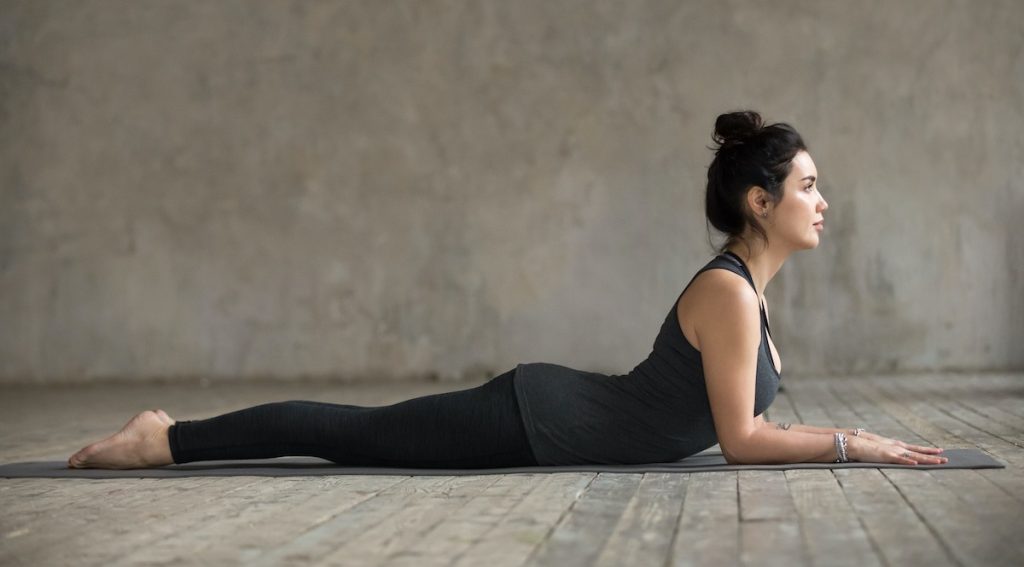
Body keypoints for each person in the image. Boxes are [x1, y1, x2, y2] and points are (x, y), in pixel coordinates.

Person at [68, 110, 948, 470]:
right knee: (350, 433)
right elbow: (743, 438)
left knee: (353, 434)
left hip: (554, 417)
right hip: (534, 417)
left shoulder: (748, 294)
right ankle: (167, 437)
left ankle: (168, 436)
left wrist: (844, 439)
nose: (823, 201)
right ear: (760, 202)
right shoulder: (729, 293)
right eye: (806, 186)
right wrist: (852, 443)